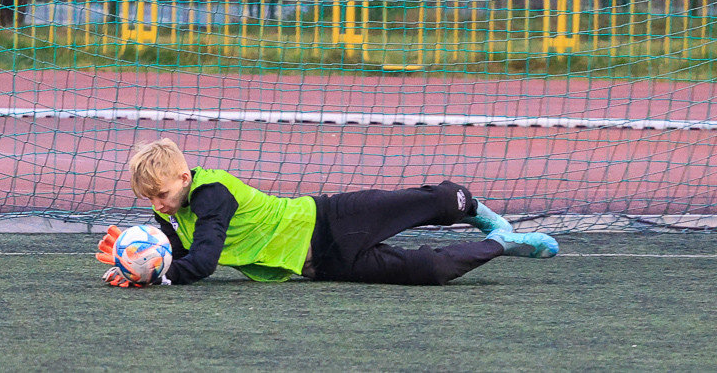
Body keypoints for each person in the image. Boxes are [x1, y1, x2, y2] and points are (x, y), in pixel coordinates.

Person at [96, 138, 558, 287]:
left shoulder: (211, 194)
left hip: (331, 219)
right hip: (321, 263)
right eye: (148, 200)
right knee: (433, 270)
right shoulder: (168, 217)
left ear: (182, 177)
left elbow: (205, 260)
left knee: (436, 201)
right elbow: (176, 256)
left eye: (160, 194)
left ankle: (485, 217)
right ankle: (504, 243)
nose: (156, 206)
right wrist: (136, 265)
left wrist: (161, 276)